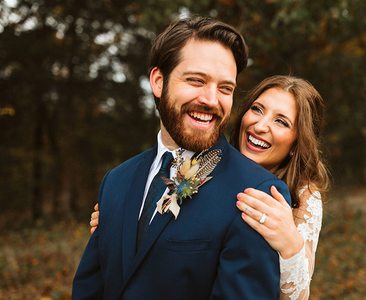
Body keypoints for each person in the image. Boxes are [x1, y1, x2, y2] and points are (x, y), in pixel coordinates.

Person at [72, 17, 292, 300]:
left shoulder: (255, 193)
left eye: (225, 88)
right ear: (158, 81)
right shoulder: (116, 180)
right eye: (196, 80)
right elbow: (89, 290)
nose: (212, 100)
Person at [90, 75, 330, 299]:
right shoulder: (203, 163)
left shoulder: (304, 195)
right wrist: (120, 225)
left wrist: (291, 247)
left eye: (281, 121)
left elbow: (297, 294)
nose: (260, 126)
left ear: (297, 141)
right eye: (257, 109)